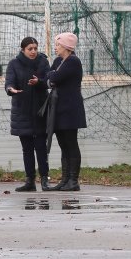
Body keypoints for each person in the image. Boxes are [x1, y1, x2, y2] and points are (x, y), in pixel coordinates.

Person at [5, 37, 51, 192]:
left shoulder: (43, 62)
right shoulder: (14, 64)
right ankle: (30, 181)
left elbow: (48, 82)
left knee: (41, 147)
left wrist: (39, 82)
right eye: (30, 48)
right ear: (23, 49)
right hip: (22, 111)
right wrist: (11, 89)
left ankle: (45, 179)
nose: (33, 51)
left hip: (40, 110)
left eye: (35, 48)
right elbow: (9, 82)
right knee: (27, 148)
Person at [43, 32, 87, 192]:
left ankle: (73, 180)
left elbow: (55, 77)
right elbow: (49, 75)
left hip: (70, 109)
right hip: (59, 109)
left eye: (58, 45)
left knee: (71, 143)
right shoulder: (58, 60)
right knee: (63, 145)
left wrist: (51, 77)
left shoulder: (73, 61)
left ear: (67, 46)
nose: (55, 47)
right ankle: (65, 179)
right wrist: (51, 77)